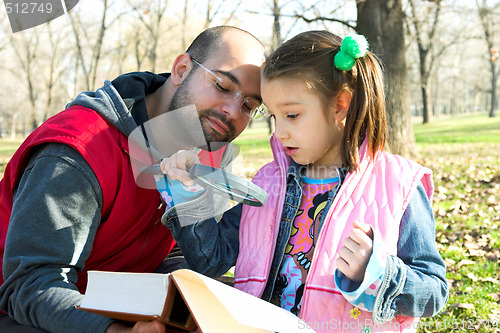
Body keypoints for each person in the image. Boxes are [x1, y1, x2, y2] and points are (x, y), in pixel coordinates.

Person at [161, 31, 449, 332]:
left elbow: (433, 291)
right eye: (274, 117)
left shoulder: (398, 185)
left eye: (293, 115)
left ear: (340, 106)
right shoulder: (269, 183)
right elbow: (211, 259)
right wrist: (188, 194)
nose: (280, 132)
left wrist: (379, 274)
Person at [0, 26, 266, 333]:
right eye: (221, 85)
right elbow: (31, 285)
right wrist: (116, 330)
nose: (232, 111)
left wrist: (185, 302)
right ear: (181, 69)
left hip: (128, 302)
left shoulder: (212, 145)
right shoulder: (79, 150)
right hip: (28, 312)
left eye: (249, 105)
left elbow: (184, 252)